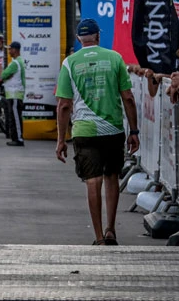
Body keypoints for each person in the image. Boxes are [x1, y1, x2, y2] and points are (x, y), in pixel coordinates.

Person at [55, 19, 139, 246]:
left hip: (84, 130)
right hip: (112, 129)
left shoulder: (70, 63)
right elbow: (128, 98)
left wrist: (61, 139)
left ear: (79, 39)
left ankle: (99, 236)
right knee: (112, 177)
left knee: (93, 181)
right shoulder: (115, 58)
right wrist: (134, 130)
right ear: (98, 37)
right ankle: (112, 230)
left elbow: (64, 105)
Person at [1, 41, 26, 146]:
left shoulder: (15, 63)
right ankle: (16, 138)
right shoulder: (18, 61)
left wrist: (5, 76)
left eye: (10, 49)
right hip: (14, 94)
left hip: (15, 94)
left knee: (15, 117)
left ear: (15, 50)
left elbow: (3, 75)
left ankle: (19, 139)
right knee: (14, 116)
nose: (9, 51)